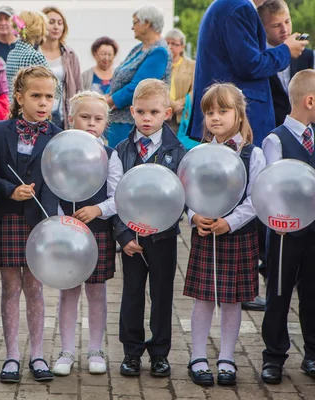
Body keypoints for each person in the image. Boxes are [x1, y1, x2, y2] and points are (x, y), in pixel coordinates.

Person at [184, 83, 266, 387]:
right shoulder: (199, 153)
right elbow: (186, 191)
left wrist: (230, 222)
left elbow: (257, 198)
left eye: (223, 110)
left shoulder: (252, 155)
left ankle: (228, 357)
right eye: (209, 112)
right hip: (205, 232)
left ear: (239, 115)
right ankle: (198, 356)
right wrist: (194, 216)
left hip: (238, 235)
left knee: (232, 301)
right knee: (203, 299)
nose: (215, 117)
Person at [0, 65, 60, 383]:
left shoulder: (57, 135)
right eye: (36, 96)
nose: (43, 102)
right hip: (8, 217)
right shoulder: (1, 131)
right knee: (10, 287)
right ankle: (12, 356)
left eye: (49, 96)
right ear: (19, 97)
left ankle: (38, 354)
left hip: (40, 220)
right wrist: (10, 191)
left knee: (35, 286)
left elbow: (60, 179)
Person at [114, 79, 186, 378]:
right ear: (132, 111)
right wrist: (123, 234)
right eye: (141, 111)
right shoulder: (121, 150)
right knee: (131, 294)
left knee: (161, 294)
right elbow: (115, 195)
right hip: (131, 237)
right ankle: (131, 352)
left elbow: (180, 198)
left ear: (166, 113)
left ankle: (159, 352)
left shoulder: (178, 152)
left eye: (154, 112)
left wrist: (161, 225)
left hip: (163, 237)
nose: (147, 118)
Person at [52, 91, 121, 377]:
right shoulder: (59, 152)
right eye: (84, 117)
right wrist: (60, 219)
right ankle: (67, 350)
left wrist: (98, 210)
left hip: (98, 231)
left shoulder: (110, 155)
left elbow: (118, 196)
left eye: (98, 118)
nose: (91, 123)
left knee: (96, 291)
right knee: (68, 292)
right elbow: (50, 186)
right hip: (67, 232)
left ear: (106, 122)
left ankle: (95, 348)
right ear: (71, 119)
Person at [188, 0, 309, 146]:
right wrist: (286, 51)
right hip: (237, 122)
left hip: (228, 115)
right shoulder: (239, 8)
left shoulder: (230, 5)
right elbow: (250, 65)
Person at [260, 69, 315, 385]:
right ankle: (274, 357)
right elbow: (268, 186)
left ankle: (312, 353)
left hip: (314, 231)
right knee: (279, 293)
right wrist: (275, 218)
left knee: (312, 292)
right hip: (285, 231)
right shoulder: (275, 140)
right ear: (310, 100)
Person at [105, 5, 172, 148]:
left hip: (133, 123)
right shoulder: (139, 48)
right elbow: (118, 79)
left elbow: (139, 86)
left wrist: (109, 101)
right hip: (119, 119)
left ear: (147, 24)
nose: (132, 27)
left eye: (135, 22)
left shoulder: (159, 51)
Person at [259, 0, 314, 127]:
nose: (284, 29)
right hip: (270, 128)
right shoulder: (259, 59)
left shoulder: (308, 56)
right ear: (263, 28)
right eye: (276, 25)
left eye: (287, 21)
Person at [40, 6, 82, 129]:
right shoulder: (33, 52)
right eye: (51, 22)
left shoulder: (70, 54)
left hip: (63, 116)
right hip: (38, 112)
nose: (56, 27)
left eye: (60, 23)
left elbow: (79, 88)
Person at [5, 10, 51, 100]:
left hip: (12, 107)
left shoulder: (11, 54)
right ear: (38, 31)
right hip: (30, 108)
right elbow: (54, 86)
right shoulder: (35, 56)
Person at [165, 28, 195, 135]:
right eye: (167, 43)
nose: (169, 47)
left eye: (174, 44)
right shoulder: (161, 64)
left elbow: (195, 89)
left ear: (182, 47)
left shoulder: (192, 65)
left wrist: (180, 104)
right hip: (162, 115)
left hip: (183, 116)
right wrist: (172, 104)